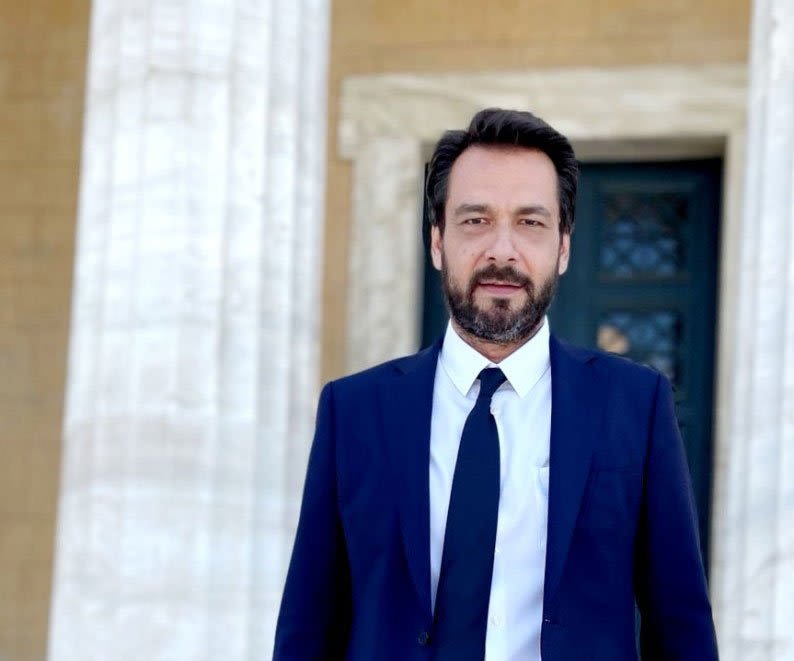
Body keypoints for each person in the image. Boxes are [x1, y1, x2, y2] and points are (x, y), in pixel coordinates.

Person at [273, 108, 719, 660]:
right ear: (437, 242)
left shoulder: (636, 404)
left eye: (530, 223)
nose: (502, 250)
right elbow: (309, 625)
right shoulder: (354, 411)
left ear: (563, 247)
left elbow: (681, 628)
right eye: (475, 220)